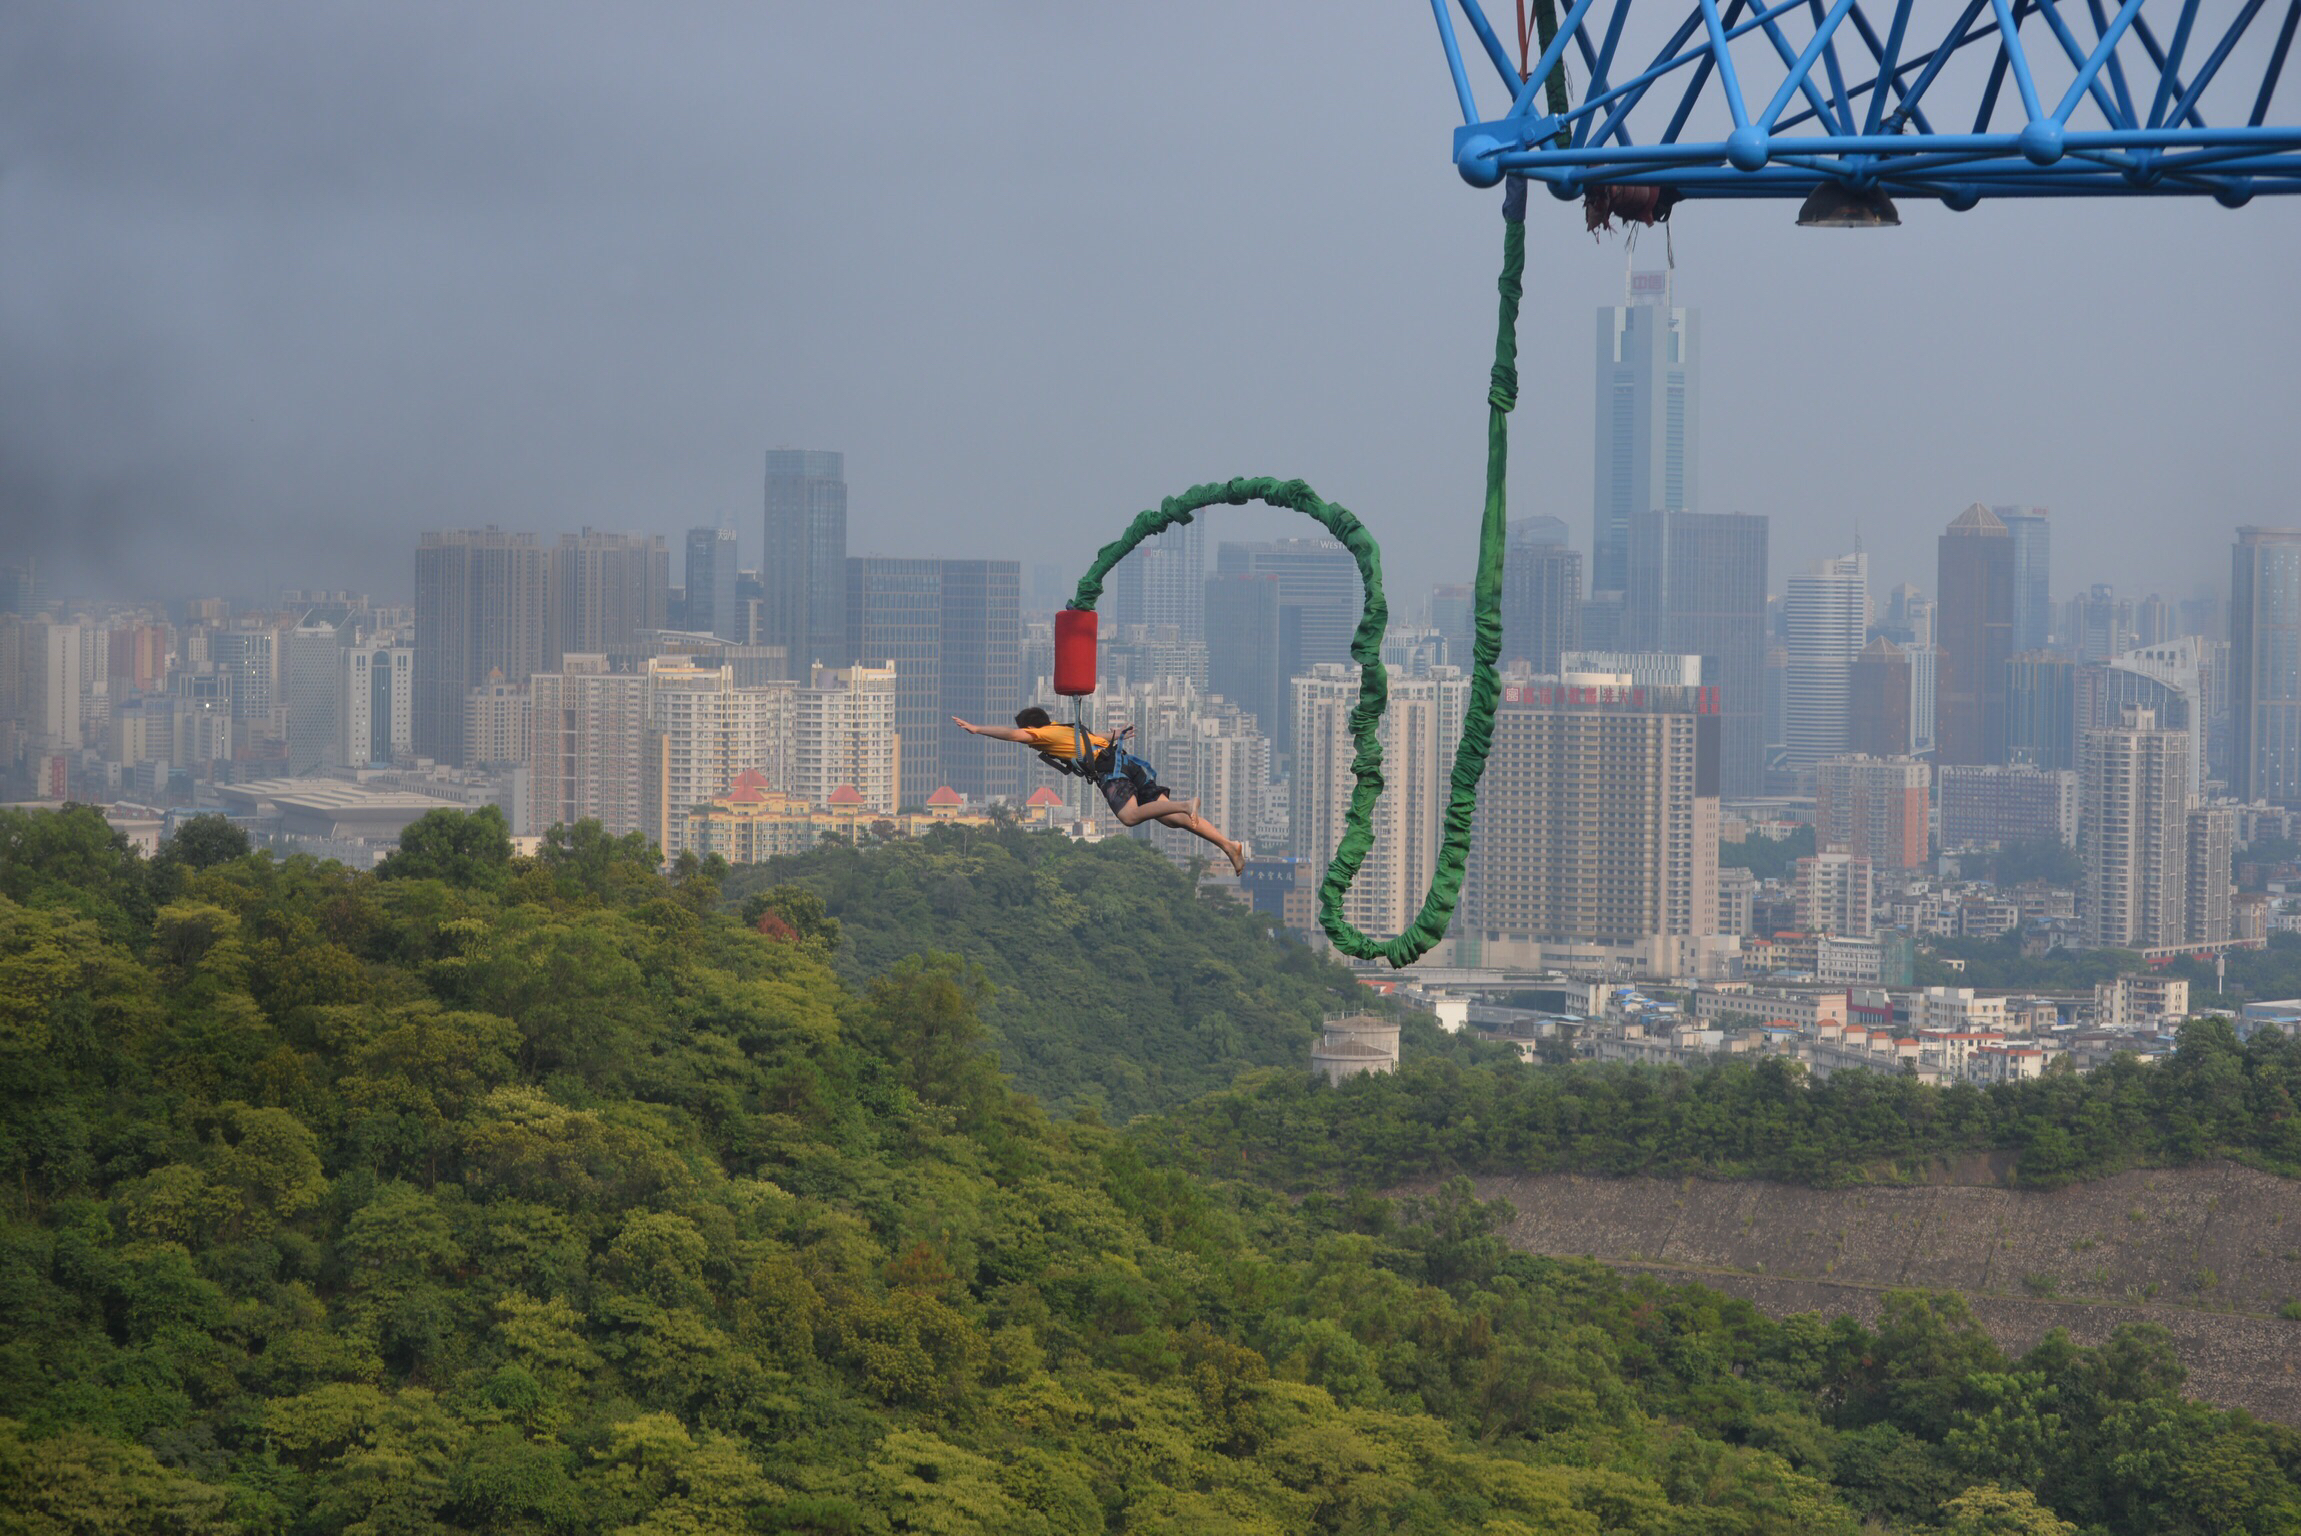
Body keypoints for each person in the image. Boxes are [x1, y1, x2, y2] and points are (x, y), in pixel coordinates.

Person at [952, 707, 1246, 874]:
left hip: (1112, 772)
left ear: (1031, 728)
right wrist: (1117, 733)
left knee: (1131, 817)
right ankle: (1228, 845)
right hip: (1127, 762)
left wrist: (978, 729)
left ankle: (1183, 804)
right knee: (1170, 819)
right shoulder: (1062, 728)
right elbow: (1097, 738)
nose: (1028, 740)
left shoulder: (1040, 734)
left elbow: (1012, 734)